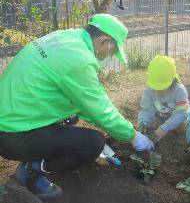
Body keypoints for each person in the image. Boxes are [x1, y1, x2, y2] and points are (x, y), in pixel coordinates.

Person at [0, 14, 154, 200]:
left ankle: (35, 158)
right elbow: (100, 110)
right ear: (104, 41)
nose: (110, 57)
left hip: (13, 116)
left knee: (71, 118)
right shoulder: (79, 60)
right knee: (94, 143)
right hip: (11, 134)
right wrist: (132, 135)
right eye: (112, 52)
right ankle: (32, 170)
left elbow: (82, 103)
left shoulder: (66, 38)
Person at [138, 55, 190, 143]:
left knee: (185, 132)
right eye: (156, 86)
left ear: (172, 80)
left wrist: (164, 128)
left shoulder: (179, 90)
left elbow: (181, 114)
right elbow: (147, 109)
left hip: (176, 119)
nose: (158, 89)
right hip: (158, 117)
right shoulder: (149, 89)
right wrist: (143, 123)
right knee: (149, 125)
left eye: (162, 86)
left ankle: (185, 143)